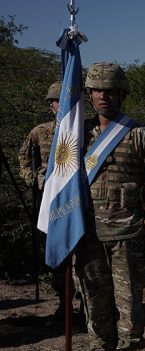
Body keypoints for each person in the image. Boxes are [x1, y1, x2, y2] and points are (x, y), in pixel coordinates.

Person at [74, 62, 145, 351]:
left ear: (122, 94)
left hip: (128, 236)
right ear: (90, 94)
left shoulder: (137, 135)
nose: (104, 96)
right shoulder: (76, 135)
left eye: (111, 90)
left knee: (128, 302)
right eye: (98, 90)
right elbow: (60, 184)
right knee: (94, 302)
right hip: (86, 236)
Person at [18, 81, 84, 327]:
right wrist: (33, 179)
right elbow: (24, 159)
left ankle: (86, 305)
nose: (59, 104)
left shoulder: (81, 129)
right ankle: (63, 304)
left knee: (83, 255)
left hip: (76, 201)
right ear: (50, 105)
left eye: (62, 100)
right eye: (55, 101)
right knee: (56, 252)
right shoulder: (39, 132)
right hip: (49, 200)